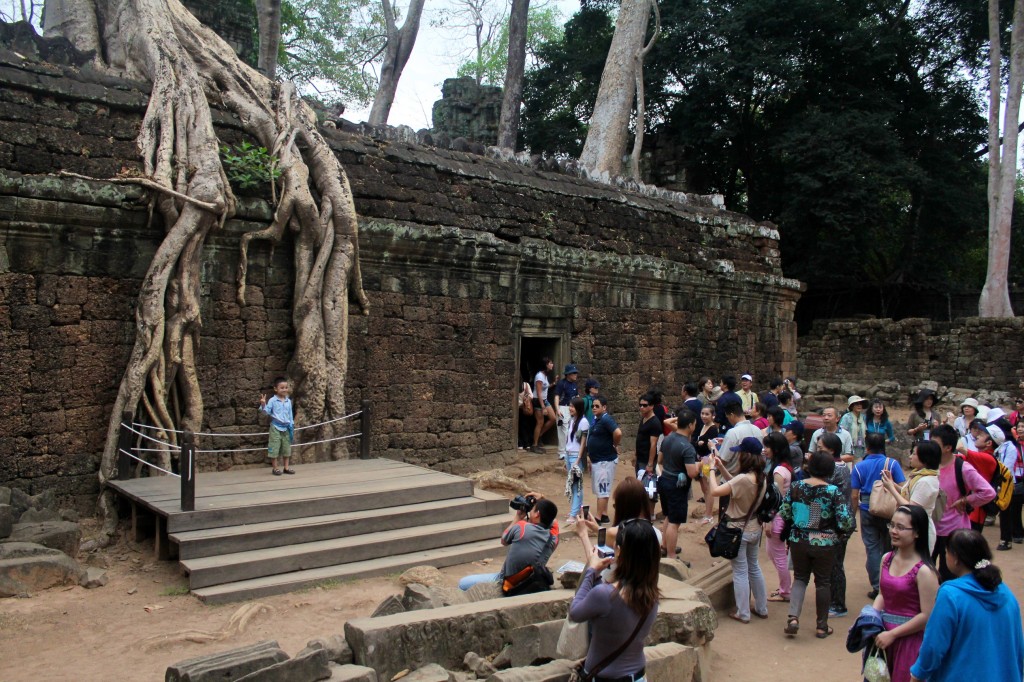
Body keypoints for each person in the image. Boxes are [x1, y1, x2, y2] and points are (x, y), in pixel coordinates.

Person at [909, 529, 1024, 682]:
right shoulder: (1006, 594)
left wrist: (918, 675)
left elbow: (933, 647)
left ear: (955, 557)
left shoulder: (950, 595)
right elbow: (1018, 648)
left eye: (946, 552)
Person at [569, 515, 660, 682]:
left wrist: (591, 571)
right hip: (638, 676)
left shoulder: (605, 595)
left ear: (618, 551)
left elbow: (575, 612)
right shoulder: (653, 598)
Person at [778, 450, 854, 639]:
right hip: (825, 543)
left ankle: (793, 618)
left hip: (798, 540)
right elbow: (845, 521)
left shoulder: (796, 487)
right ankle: (822, 626)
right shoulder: (832, 491)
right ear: (830, 470)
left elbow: (785, 512)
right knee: (823, 582)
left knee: (800, 578)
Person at [871, 505, 939, 682]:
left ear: (917, 532)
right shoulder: (886, 559)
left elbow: (927, 615)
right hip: (882, 636)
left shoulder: (925, 572)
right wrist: (872, 618)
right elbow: (882, 594)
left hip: (910, 642)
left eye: (900, 527)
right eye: (892, 525)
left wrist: (893, 634)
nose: (893, 531)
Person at [708, 436, 769, 623]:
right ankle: (762, 607)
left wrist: (711, 470)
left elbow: (716, 491)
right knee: (754, 567)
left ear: (746, 455)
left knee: (740, 571)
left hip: (737, 529)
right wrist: (721, 467)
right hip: (754, 526)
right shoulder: (760, 477)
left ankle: (743, 612)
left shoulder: (744, 478)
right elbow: (734, 484)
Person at [928, 425, 994, 581]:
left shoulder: (963, 468)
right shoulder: (928, 465)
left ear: (948, 447)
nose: (929, 446)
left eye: (934, 443)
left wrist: (966, 500)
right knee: (925, 572)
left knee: (949, 575)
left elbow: (988, 492)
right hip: (930, 528)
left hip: (953, 530)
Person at [458, 495, 559, 590]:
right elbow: (552, 519)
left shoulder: (522, 526)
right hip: (531, 581)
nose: (530, 510)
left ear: (537, 514)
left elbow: (504, 540)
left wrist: (518, 517)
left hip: (508, 582)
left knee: (463, 583)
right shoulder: (554, 539)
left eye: (532, 509)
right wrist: (542, 500)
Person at [851, 432, 907, 599]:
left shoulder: (859, 467)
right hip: (890, 511)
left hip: (868, 509)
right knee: (889, 547)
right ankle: (891, 582)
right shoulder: (892, 464)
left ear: (867, 447)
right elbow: (903, 488)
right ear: (884, 446)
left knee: (872, 548)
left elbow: (854, 495)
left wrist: (853, 516)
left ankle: (877, 586)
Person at [882, 440, 943, 559]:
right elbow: (908, 494)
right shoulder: (918, 475)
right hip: (910, 525)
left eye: (914, 454)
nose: (910, 456)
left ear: (924, 458)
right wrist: (892, 484)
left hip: (919, 528)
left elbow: (911, 507)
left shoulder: (926, 481)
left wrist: (891, 488)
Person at [817, 433, 854, 618]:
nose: (818, 452)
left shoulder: (835, 470)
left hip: (837, 523)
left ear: (831, 450)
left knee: (835, 565)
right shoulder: (840, 467)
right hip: (839, 520)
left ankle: (838, 604)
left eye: (821, 449)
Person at [657, 409, 699, 560]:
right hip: (676, 486)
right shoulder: (687, 447)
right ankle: (671, 555)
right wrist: (700, 465)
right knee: (674, 522)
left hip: (665, 480)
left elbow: (660, 460)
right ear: (690, 425)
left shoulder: (667, 438)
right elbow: (692, 473)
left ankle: (665, 546)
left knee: (668, 516)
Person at [764, 432, 794, 603]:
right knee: (773, 553)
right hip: (781, 516)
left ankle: (785, 591)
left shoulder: (778, 471)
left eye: (767, 447)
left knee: (779, 555)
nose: (765, 450)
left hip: (777, 518)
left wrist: (769, 520)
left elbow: (777, 499)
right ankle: (785, 586)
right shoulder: (785, 467)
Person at [587, 396, 622, 525]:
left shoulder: (606, 419)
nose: (594, 408)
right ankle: (604, 514)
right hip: (599, 460)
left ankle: (597, 518)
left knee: (602, 489)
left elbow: (618, 433)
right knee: (601, 489)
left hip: (605, 461)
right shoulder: (596, 419)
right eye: (593, 406)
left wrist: (614, 444)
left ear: (604, 407)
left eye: (597, 406)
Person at [997, 420, 1024, 550]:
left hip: (1018, 479)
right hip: (1014, 480)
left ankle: (1016, 533)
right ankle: (1016, 533)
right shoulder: (1013, 445)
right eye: (1018, 426)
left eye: (1023, 426)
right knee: (1014, 508)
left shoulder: (1012, 446)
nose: (1020, 429)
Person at [260, 376, 295, 476]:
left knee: (286, 448)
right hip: (276, 427)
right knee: (274, 447)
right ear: (276, 389)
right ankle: (275, 468)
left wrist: (291, 424)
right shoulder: (272, 400)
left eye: (286, 387)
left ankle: (286, 467)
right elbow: (266, 412)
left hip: (287, 427)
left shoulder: (288, 401)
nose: (284, 389)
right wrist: (263, 404)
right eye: (282, 388)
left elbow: (290, 414)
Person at [563, 397, 589, 522]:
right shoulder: (571, 420)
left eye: (572, 406)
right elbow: (568, 440)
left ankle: (574, 514)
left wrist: (578, 459)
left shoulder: (583, 422)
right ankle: (577, 510)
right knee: (573, 484)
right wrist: (565, 458)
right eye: (570, 405)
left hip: (575, 456)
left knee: (576, 485)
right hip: (569, 455)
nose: (570, 408)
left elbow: (583, 443)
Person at [693, 405, 720, 524]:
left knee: (708, 488)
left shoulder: (713, 429)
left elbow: (711, 446)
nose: (704, 416)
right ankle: (707, 514)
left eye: (706, 414)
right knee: (704, 488)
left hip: (706, 460)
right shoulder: (703, 426)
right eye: (702, 413)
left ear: (713, 415)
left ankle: (708, 515)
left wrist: (701, 443)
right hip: (701, 459)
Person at [553, 364, 580, 462]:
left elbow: (577, 396)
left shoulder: (574, 385)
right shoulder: (561, 383)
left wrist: (578, 408)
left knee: (571, 430)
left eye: (576, 373)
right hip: (563, 408)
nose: (575, 375)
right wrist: (557, 409)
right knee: (563, 431)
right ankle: (561, 452)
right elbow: (556, 396)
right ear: (568, 374)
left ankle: (569, 450)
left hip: (572, 408)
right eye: (574, 373)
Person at [531, 358, 557, 453]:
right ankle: (534, 445)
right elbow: (538, 392)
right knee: (540, 422)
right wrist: (543, 407)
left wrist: (554, 383)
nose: (552, 364)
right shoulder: (539, 376)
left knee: (553, 418)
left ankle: (540, 435)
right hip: (538, 400)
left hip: (544, 400)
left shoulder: (545, 375)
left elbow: (544, 388)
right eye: (550, 363)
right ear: (546, 365)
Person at [636, 392, 664, 476]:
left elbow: (653, 444)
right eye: (640, 405)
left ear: (651, 406)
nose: (642, 407)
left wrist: (650, 464)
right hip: (640, 458)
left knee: (646, 486)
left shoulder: (654, 423)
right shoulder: (644, 418)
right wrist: (636, 456)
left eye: (645, 405)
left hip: (646, 460)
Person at [839, 395, 869, 461]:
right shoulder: (846, 417)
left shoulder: (863, 417)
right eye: (856, 404)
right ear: (852, 406)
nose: (859, 406)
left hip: (860, 448)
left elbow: (865, 432)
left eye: (860, 404)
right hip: (848, 448)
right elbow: (841, 432)